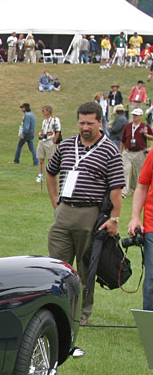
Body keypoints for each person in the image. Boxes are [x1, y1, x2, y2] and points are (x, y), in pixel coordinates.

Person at [46, 101, 124, 325]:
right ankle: (57, 310)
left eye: (90, 123)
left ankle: (81, 314)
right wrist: (55, 201)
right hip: (64, 212)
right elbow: (51, 172)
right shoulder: (67, 145)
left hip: (90, 214)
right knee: (57, 265)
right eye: (82, 123)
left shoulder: (110, 150)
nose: (85, 127)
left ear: (100, 122)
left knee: (86, 266)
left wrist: (114, 218)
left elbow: (116, 189)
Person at [127, 151, 153, 309]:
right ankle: (149, 329)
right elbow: (142, 186)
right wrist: (135, 217)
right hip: (151, 225)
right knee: (151, 281)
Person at [121, 108, 153, 197]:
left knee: (137, 173)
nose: (134, 116)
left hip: (140, 152)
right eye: (133, 115)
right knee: (125, 170)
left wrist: (146, 134)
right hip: (128, 152)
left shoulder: (145, 126)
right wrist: (120, 152)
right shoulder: (128, 126)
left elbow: (152, 137)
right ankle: (123, 192)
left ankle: (134, 191)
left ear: (140, 116)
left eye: (136, 115)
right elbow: (123, 140)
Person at [36, 105, 62, 183]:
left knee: (51, 159)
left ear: (48, 111)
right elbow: (43, 130)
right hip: (42, 140)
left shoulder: (55, 120)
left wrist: (54, 141)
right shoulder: (44, 121)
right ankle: (40, 175)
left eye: (43, 110)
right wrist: (41, 134)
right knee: (41, 158)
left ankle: (51, 174)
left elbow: (58, 131)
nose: (42, 112)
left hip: (50, 140)